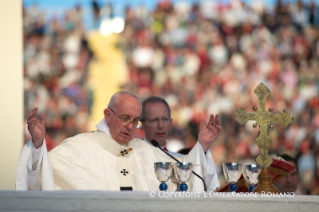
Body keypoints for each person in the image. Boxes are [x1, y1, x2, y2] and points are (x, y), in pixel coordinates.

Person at [16, 90, 221, 191]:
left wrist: (201, 145)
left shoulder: (146, 151)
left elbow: (186, 176)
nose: (130, 127)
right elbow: (40, 178)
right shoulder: (78, 148)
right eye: (124, 118)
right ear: (107, 115)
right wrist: (37, 145)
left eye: (135, 121)